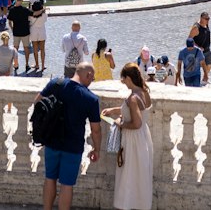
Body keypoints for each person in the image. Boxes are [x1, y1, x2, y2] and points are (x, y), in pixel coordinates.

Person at [37, 60, 102, 210]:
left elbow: (38, 103)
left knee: (50, 179)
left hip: (51, 140)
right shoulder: (91, 99)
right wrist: (96, 149)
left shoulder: (55, 84)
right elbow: (96, 130)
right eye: (92, 79)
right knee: (67, 185)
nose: (91, 82)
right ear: (88, 74)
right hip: (73, 146)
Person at [102, 62, 154, 210]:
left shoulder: (133, 98)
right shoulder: (144, 92)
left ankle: (127, 206)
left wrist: (119, 124)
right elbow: (135, 113)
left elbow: (135, 123)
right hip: (144, 137)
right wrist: (113, 110)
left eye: (123, 78)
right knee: (140, 176)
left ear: (129, 78)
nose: (122, 82)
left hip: (133, 140)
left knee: (129, 176)